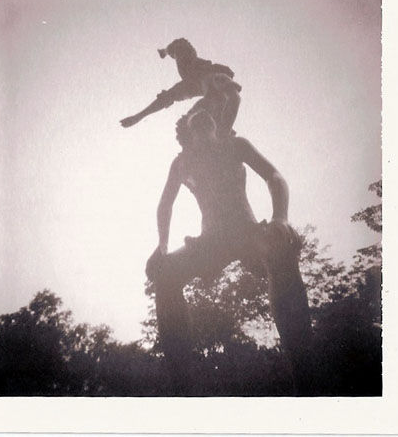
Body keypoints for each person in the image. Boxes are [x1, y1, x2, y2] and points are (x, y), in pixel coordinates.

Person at [145, 109, 313, 395]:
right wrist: (162, 246)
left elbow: (274, 176)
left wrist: (280, 218)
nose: (202, 117)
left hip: (248, 233)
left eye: (206, 117)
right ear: (187, 133)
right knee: (165, 273)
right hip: (210, 243)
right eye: (194, 119)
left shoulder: (236, 145)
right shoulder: (182, 163)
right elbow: (165, 204)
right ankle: (182, 390)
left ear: (216, 124)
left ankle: (305, 381)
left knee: (280, 246)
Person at [120, 38, 242, 138]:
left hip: (213, 105)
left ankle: (168, 50)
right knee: (180, 48)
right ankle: (167, 50)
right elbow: (164, 100)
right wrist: (138, 117)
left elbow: (235, 99)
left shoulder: (215, 77)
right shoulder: (190, 85)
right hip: (198, 81)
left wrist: (224, 131)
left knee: (180, 46)